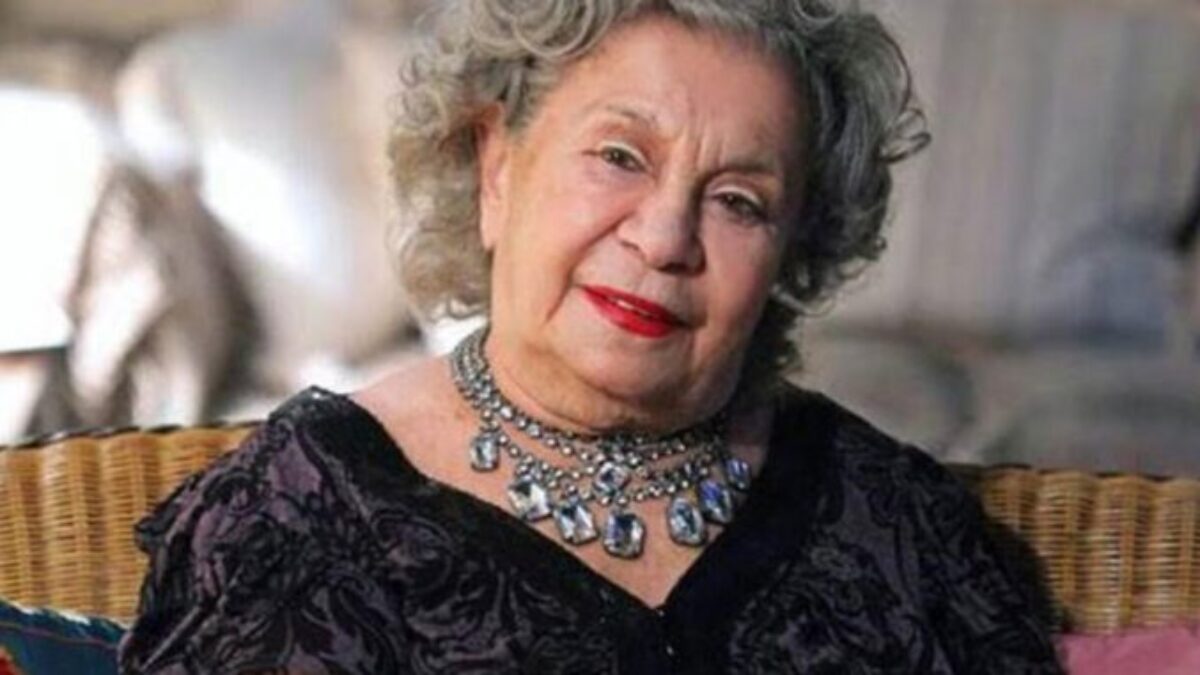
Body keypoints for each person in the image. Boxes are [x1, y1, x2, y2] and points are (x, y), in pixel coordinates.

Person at [118, 0, 1062, 672]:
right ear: (496, 166)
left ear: (790, 253)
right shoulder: (299, 521)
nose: (665, 237)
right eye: (619, 156)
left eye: (739, 201)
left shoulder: (899, 526)